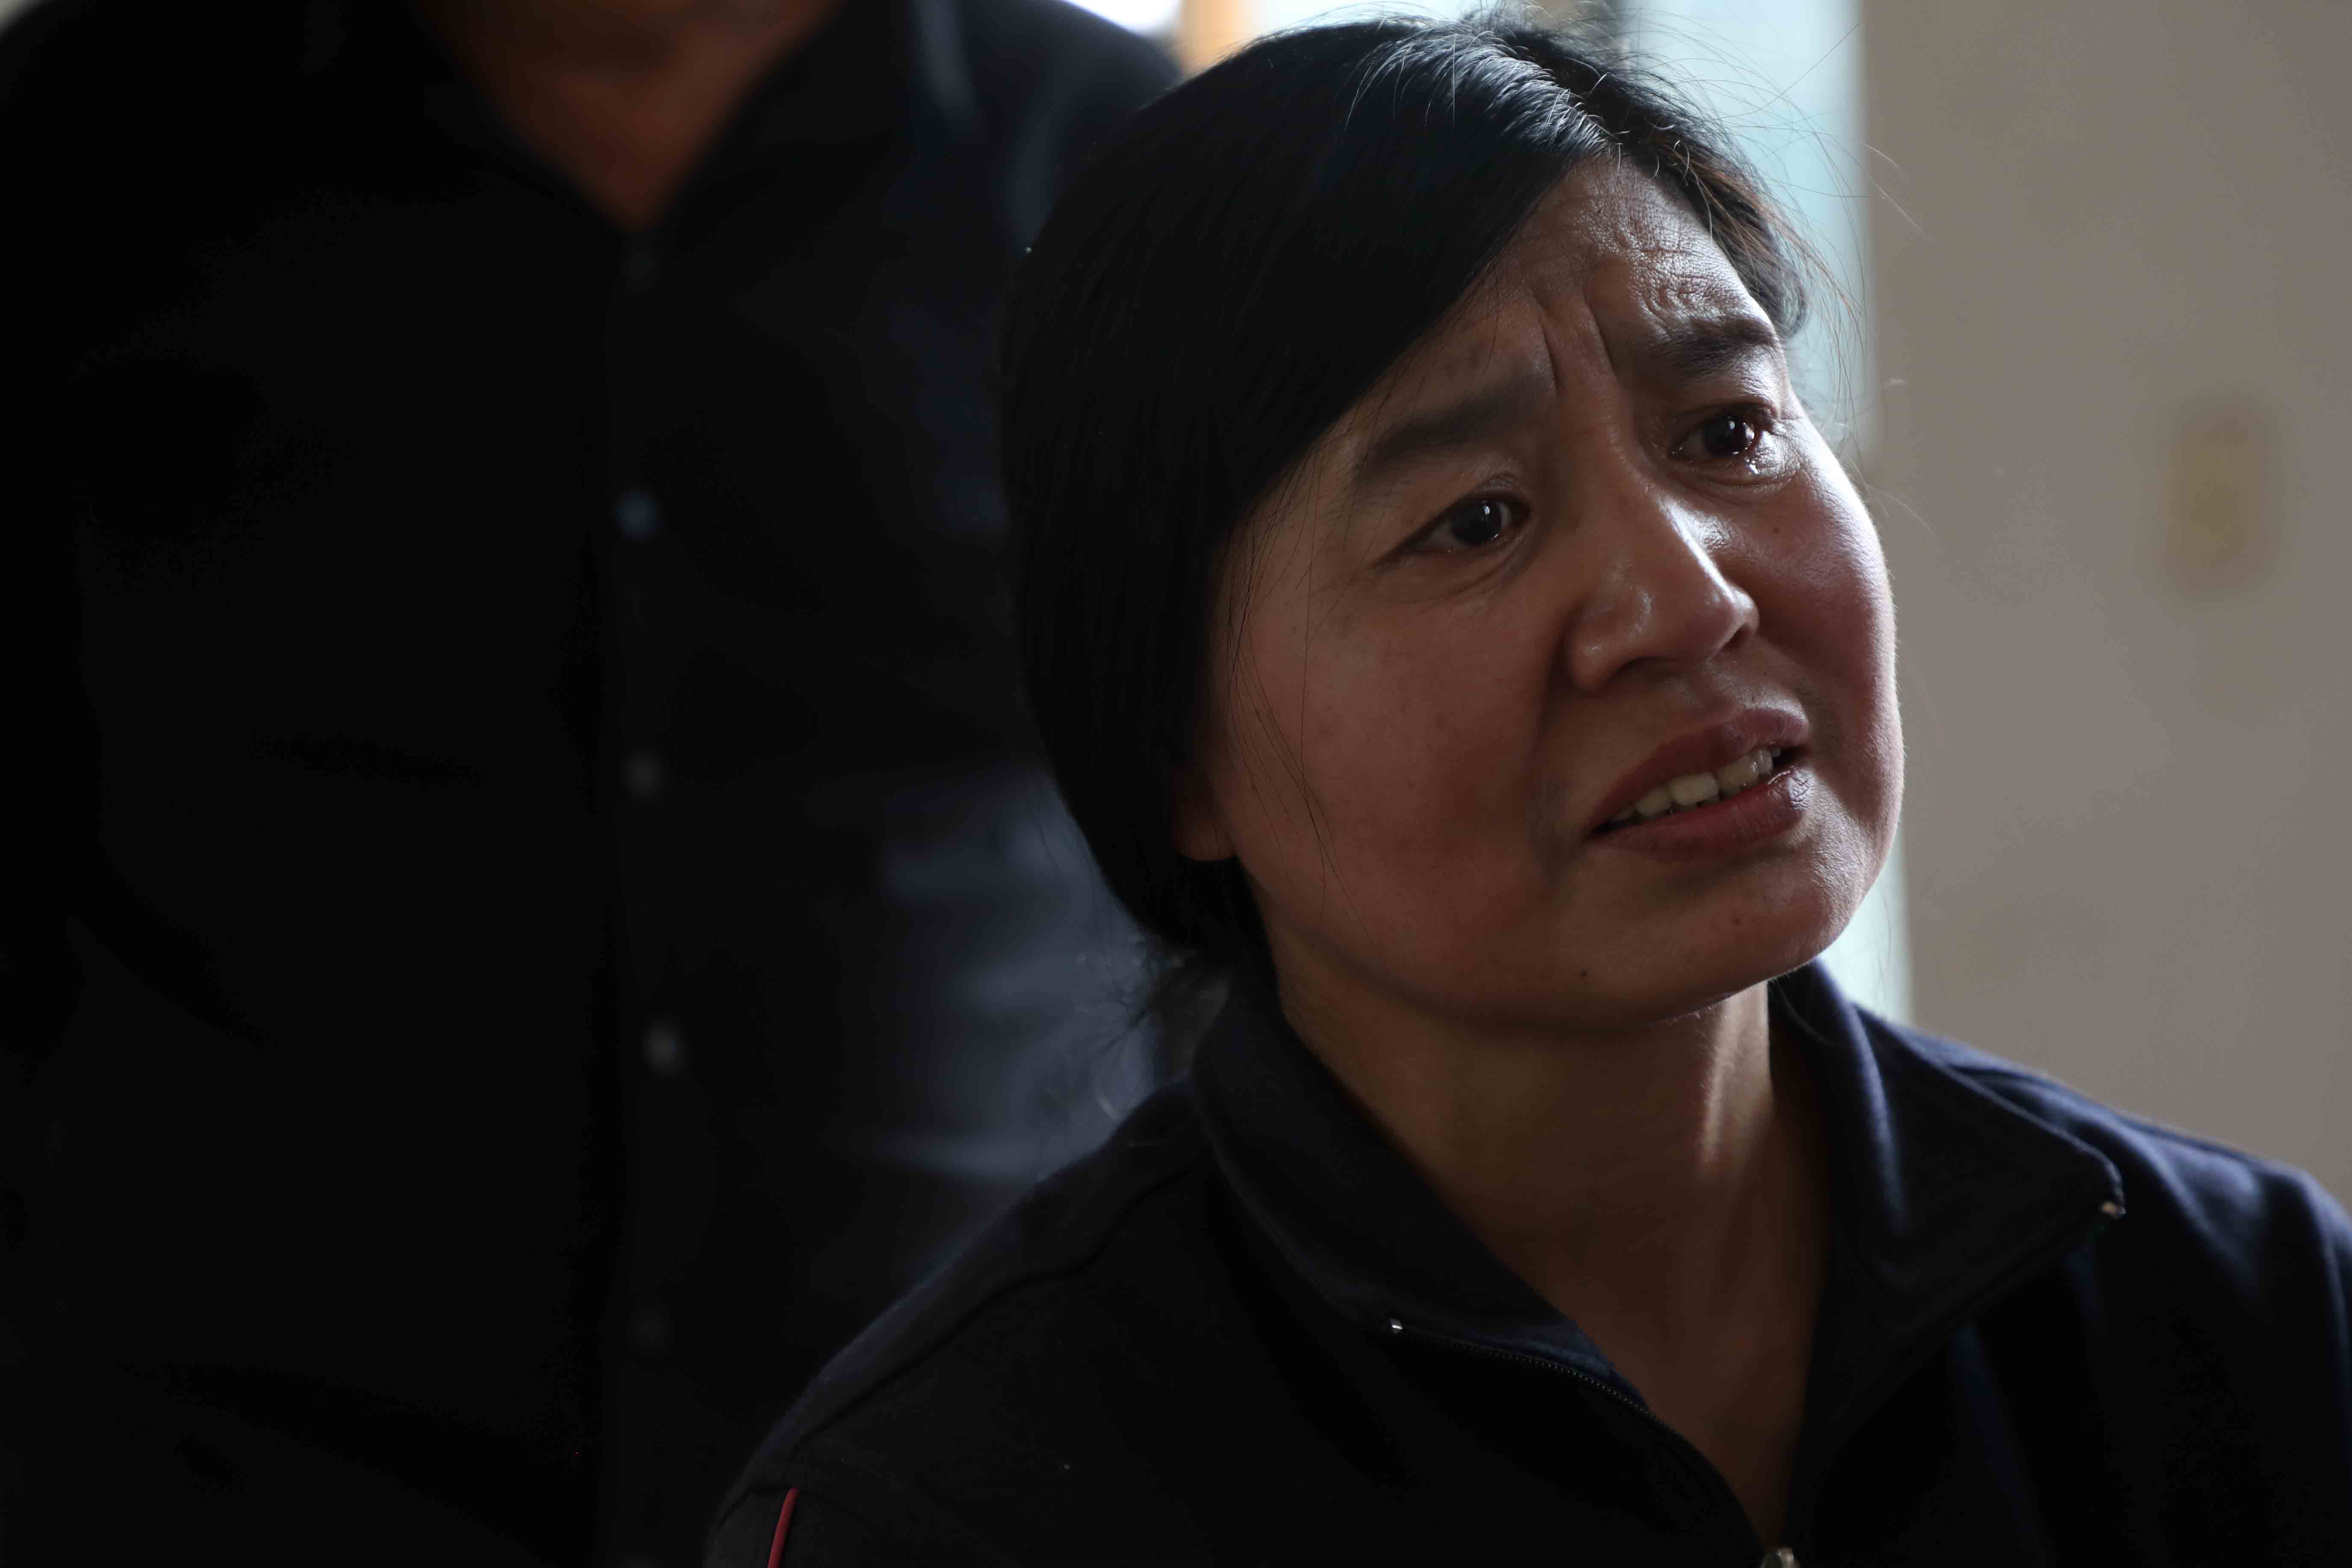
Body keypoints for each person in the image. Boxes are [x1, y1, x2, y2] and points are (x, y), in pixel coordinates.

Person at [707, 16, 2352, 1566]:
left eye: (1726, 430)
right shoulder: (949, 1503)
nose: (1687, 597)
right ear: (1175, 752)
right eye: (1475, 521)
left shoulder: (2233, 1309)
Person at [0, 1, 1170, 1563]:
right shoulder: (88, 130)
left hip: (949, 1479)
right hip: (214, 1471)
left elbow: (1242, 839)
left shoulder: (1101, 150)